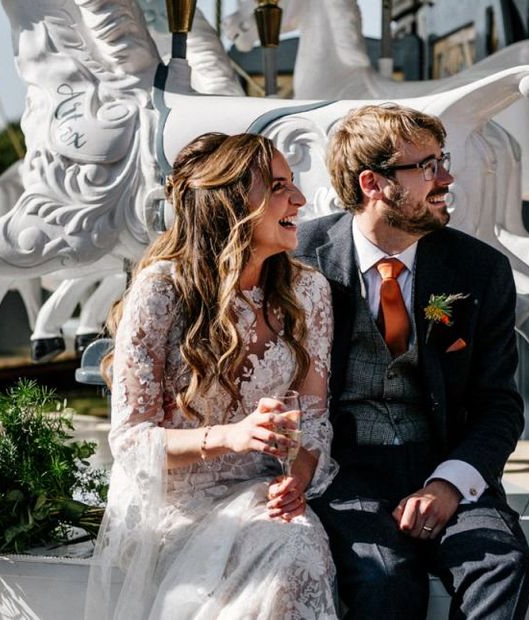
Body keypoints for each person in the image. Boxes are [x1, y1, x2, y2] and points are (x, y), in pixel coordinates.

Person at [295, 104, 529, 619]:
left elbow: (499, 405)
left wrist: (450, 484)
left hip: (442, 458)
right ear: (373, 183)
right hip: (343, 471)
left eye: (441, 160)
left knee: (504, 563)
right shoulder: (297, 259)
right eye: (427, 167)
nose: (446, 177)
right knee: (385, 578)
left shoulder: (479, 269)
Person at [86, 132, 339, 620]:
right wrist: (234, 436)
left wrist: (297, 480)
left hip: (264, 498)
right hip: (179, 509)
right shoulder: (161, 291)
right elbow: (132, 442)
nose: (300, 199)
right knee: (285, 557)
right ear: (231, 200)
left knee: (297, 549)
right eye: (280, 185)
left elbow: (313, 422)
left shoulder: (308, 291)